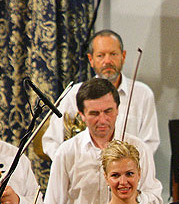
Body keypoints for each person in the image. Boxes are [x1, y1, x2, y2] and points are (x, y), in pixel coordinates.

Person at [42, 29, 160, 158]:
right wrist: (68, 163)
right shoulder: (73, 94)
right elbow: (51, 141)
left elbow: (149, 143)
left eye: (113, 54)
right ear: (91, 59)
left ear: (123, 56)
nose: (107, 61)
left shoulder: (142, 94)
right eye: (101, 55)